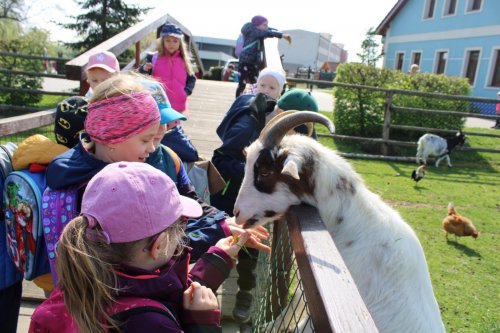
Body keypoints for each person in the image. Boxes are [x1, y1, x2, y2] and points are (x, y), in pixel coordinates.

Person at [31, 161, 253, 332]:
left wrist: (219, 257)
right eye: (182, 226)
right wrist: (203, 324)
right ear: (159, 245)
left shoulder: (82, 281)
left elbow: (161, 291)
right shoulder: (150, 324)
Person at [210, 68, 285, 323]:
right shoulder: (248, 114)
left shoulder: (277, 126)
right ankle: (206, 293)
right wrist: (250, 171)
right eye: (262, 86)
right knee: (221, 237)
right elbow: (220, 156)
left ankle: (244, 294)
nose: (266, 91)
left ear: (281, 93)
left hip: (253, 200)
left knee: (250, 244)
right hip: (227, 193)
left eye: (272, 88)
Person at [139, 23, 199, 162]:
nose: (171, 44)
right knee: (157, 130)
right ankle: (153, 153)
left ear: (180, 43)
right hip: (158, 104)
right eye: (167, 40)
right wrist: (144, 69)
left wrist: (186, 91)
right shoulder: (153, 58)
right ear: (162, 41)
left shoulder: (184, 59)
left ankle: (169, 155)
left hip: (176, 106)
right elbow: (142, 77)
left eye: (175, 41)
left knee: (172, 132)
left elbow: (191, 78)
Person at [53, 51, 120, 148]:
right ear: (88, 79)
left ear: (117, 79)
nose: (99, 85)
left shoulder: (120, 98)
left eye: (105, 80)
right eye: (94, 80)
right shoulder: (88, 98)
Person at [235, 15, 291, 97]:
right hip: (245, 62)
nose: (267, 27)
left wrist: (275, 30)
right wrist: (282, 35)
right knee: (242, 83)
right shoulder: (254, 31)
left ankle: (253, 98)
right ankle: (238, 100)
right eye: (265, 25)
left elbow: (267, 30)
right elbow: (266, 32)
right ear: (257, 25)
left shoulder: (256, 29)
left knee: (257, 82)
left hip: (252, 63)